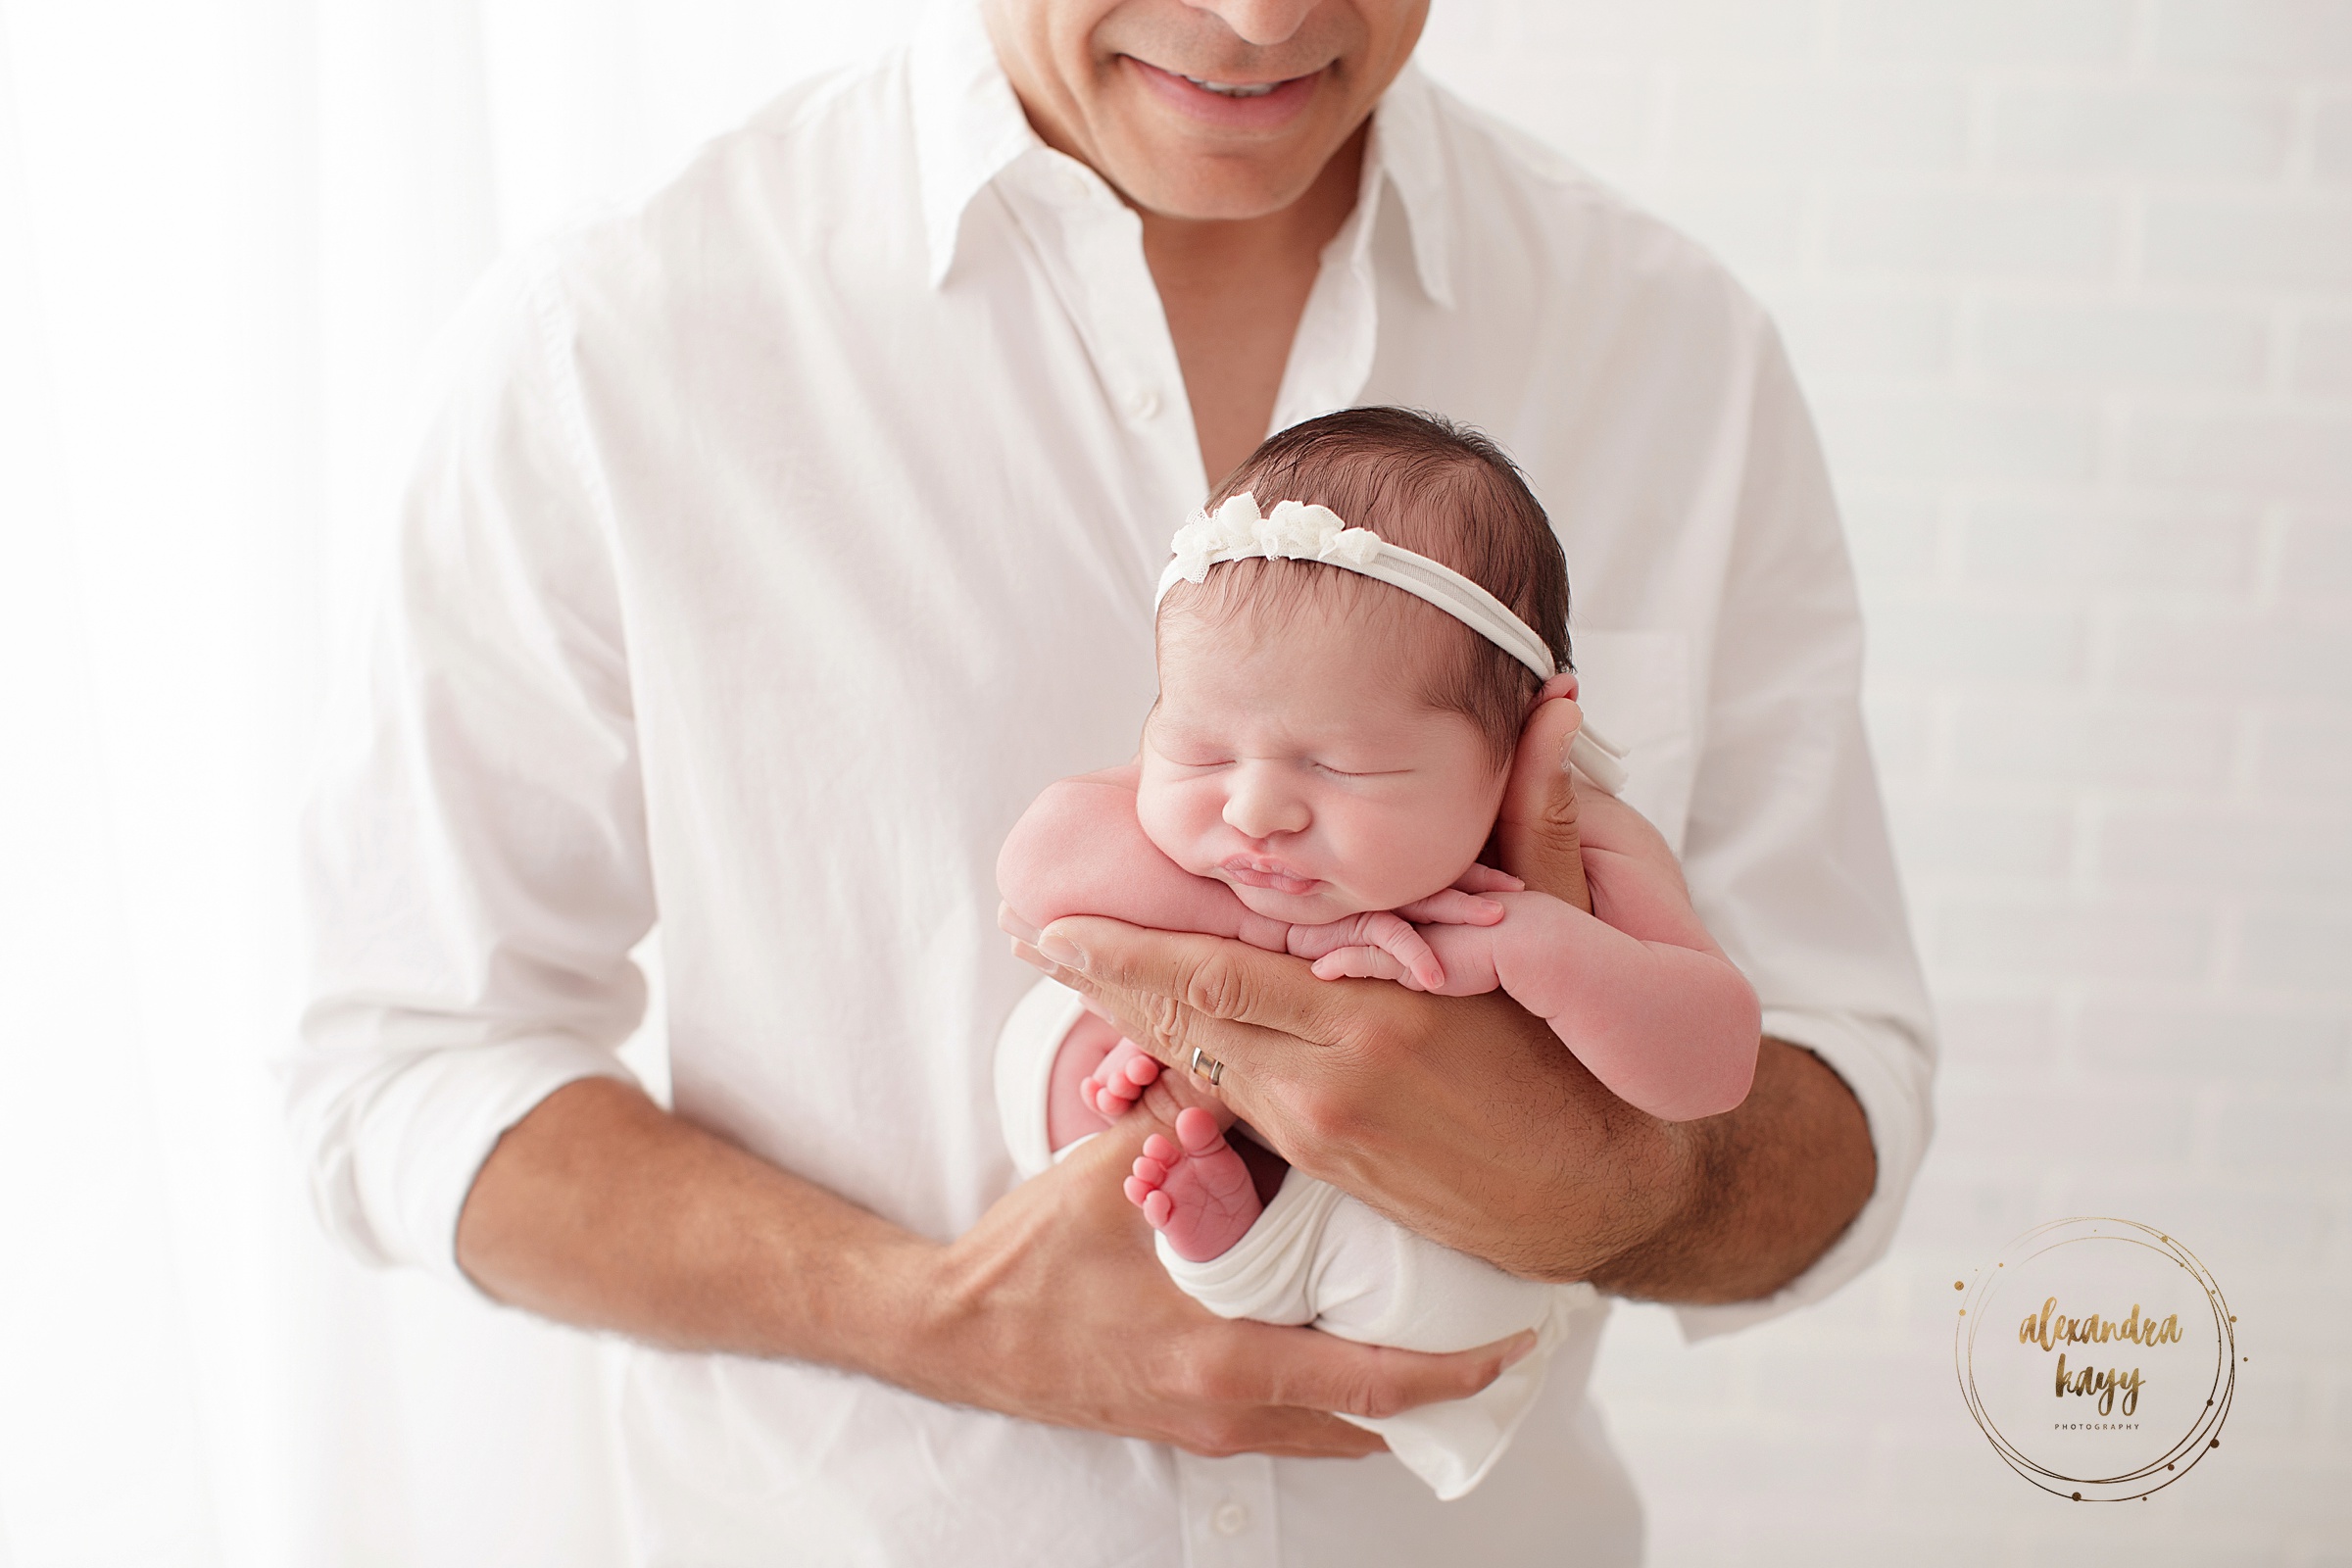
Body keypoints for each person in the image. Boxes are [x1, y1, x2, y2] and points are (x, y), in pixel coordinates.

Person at [290, 0, 1935, 1559]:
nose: (1263, 21)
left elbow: (1843, 1084)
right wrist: (925, 1315)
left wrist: (1626, 1195)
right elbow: (407, 1068)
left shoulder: (1669, 346)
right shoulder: (616, 340)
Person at [992, 409, 1764, 1499]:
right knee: (1052, 1052)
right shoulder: (1238, 829)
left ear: (1513, 750)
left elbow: (1717, 1057)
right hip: (1170, 1109)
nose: (1255, 808)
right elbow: (1041, 858)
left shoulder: (1582, 837)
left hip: (1406, 1205)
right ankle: (1221, 1224)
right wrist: (1296, 935)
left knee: (1459, 1307)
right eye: (1200, 742)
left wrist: (1549, 948)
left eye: (1340, 766)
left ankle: (1238, 1243)